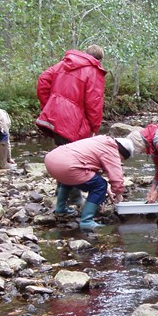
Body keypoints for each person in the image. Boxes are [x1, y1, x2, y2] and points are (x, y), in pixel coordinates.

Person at [36, 44, 107, 208]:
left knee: (63, 153)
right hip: (73, 121)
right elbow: (94, 103)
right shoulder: (94, 71)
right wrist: (94, 128)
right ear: (99, 60)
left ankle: (61, 192)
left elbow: (43, 80)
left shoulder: (64, 63)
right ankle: (74, 198)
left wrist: (49, 105)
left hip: (54, 116)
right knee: (75, 160)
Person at [44, 136, 134, 230]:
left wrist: (110, 192)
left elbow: (92, 173)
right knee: (100, 185)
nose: (119, 161)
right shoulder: (112, 151)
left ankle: (60, 209)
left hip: (52, 160)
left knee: (70, 177)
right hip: (68, 167)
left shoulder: (101, 141)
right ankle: (86, 221)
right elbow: (116, 176)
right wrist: (119, 194)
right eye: (121, 159)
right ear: (122, 153)